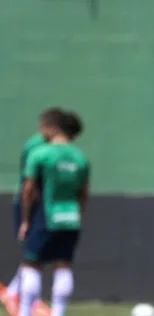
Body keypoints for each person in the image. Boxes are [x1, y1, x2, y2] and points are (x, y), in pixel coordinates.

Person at [18, 111, 89, 316]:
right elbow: (83, 192)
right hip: (70, 218)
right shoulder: (80, 157)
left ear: (53, 128)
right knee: (63, 265)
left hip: (45, 217)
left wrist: (25, 220)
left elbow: (29, 190)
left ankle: (25, 313)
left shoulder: (40, 154)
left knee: (32, 265)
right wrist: (78, 214)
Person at [0, 108, 67, 316]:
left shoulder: (58, 148)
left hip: (48, 205)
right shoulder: (37, 146)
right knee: (34, 254)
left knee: (41, 254)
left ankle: (13, 292)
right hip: (32, 204)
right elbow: (32, 183)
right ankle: (22, 299)